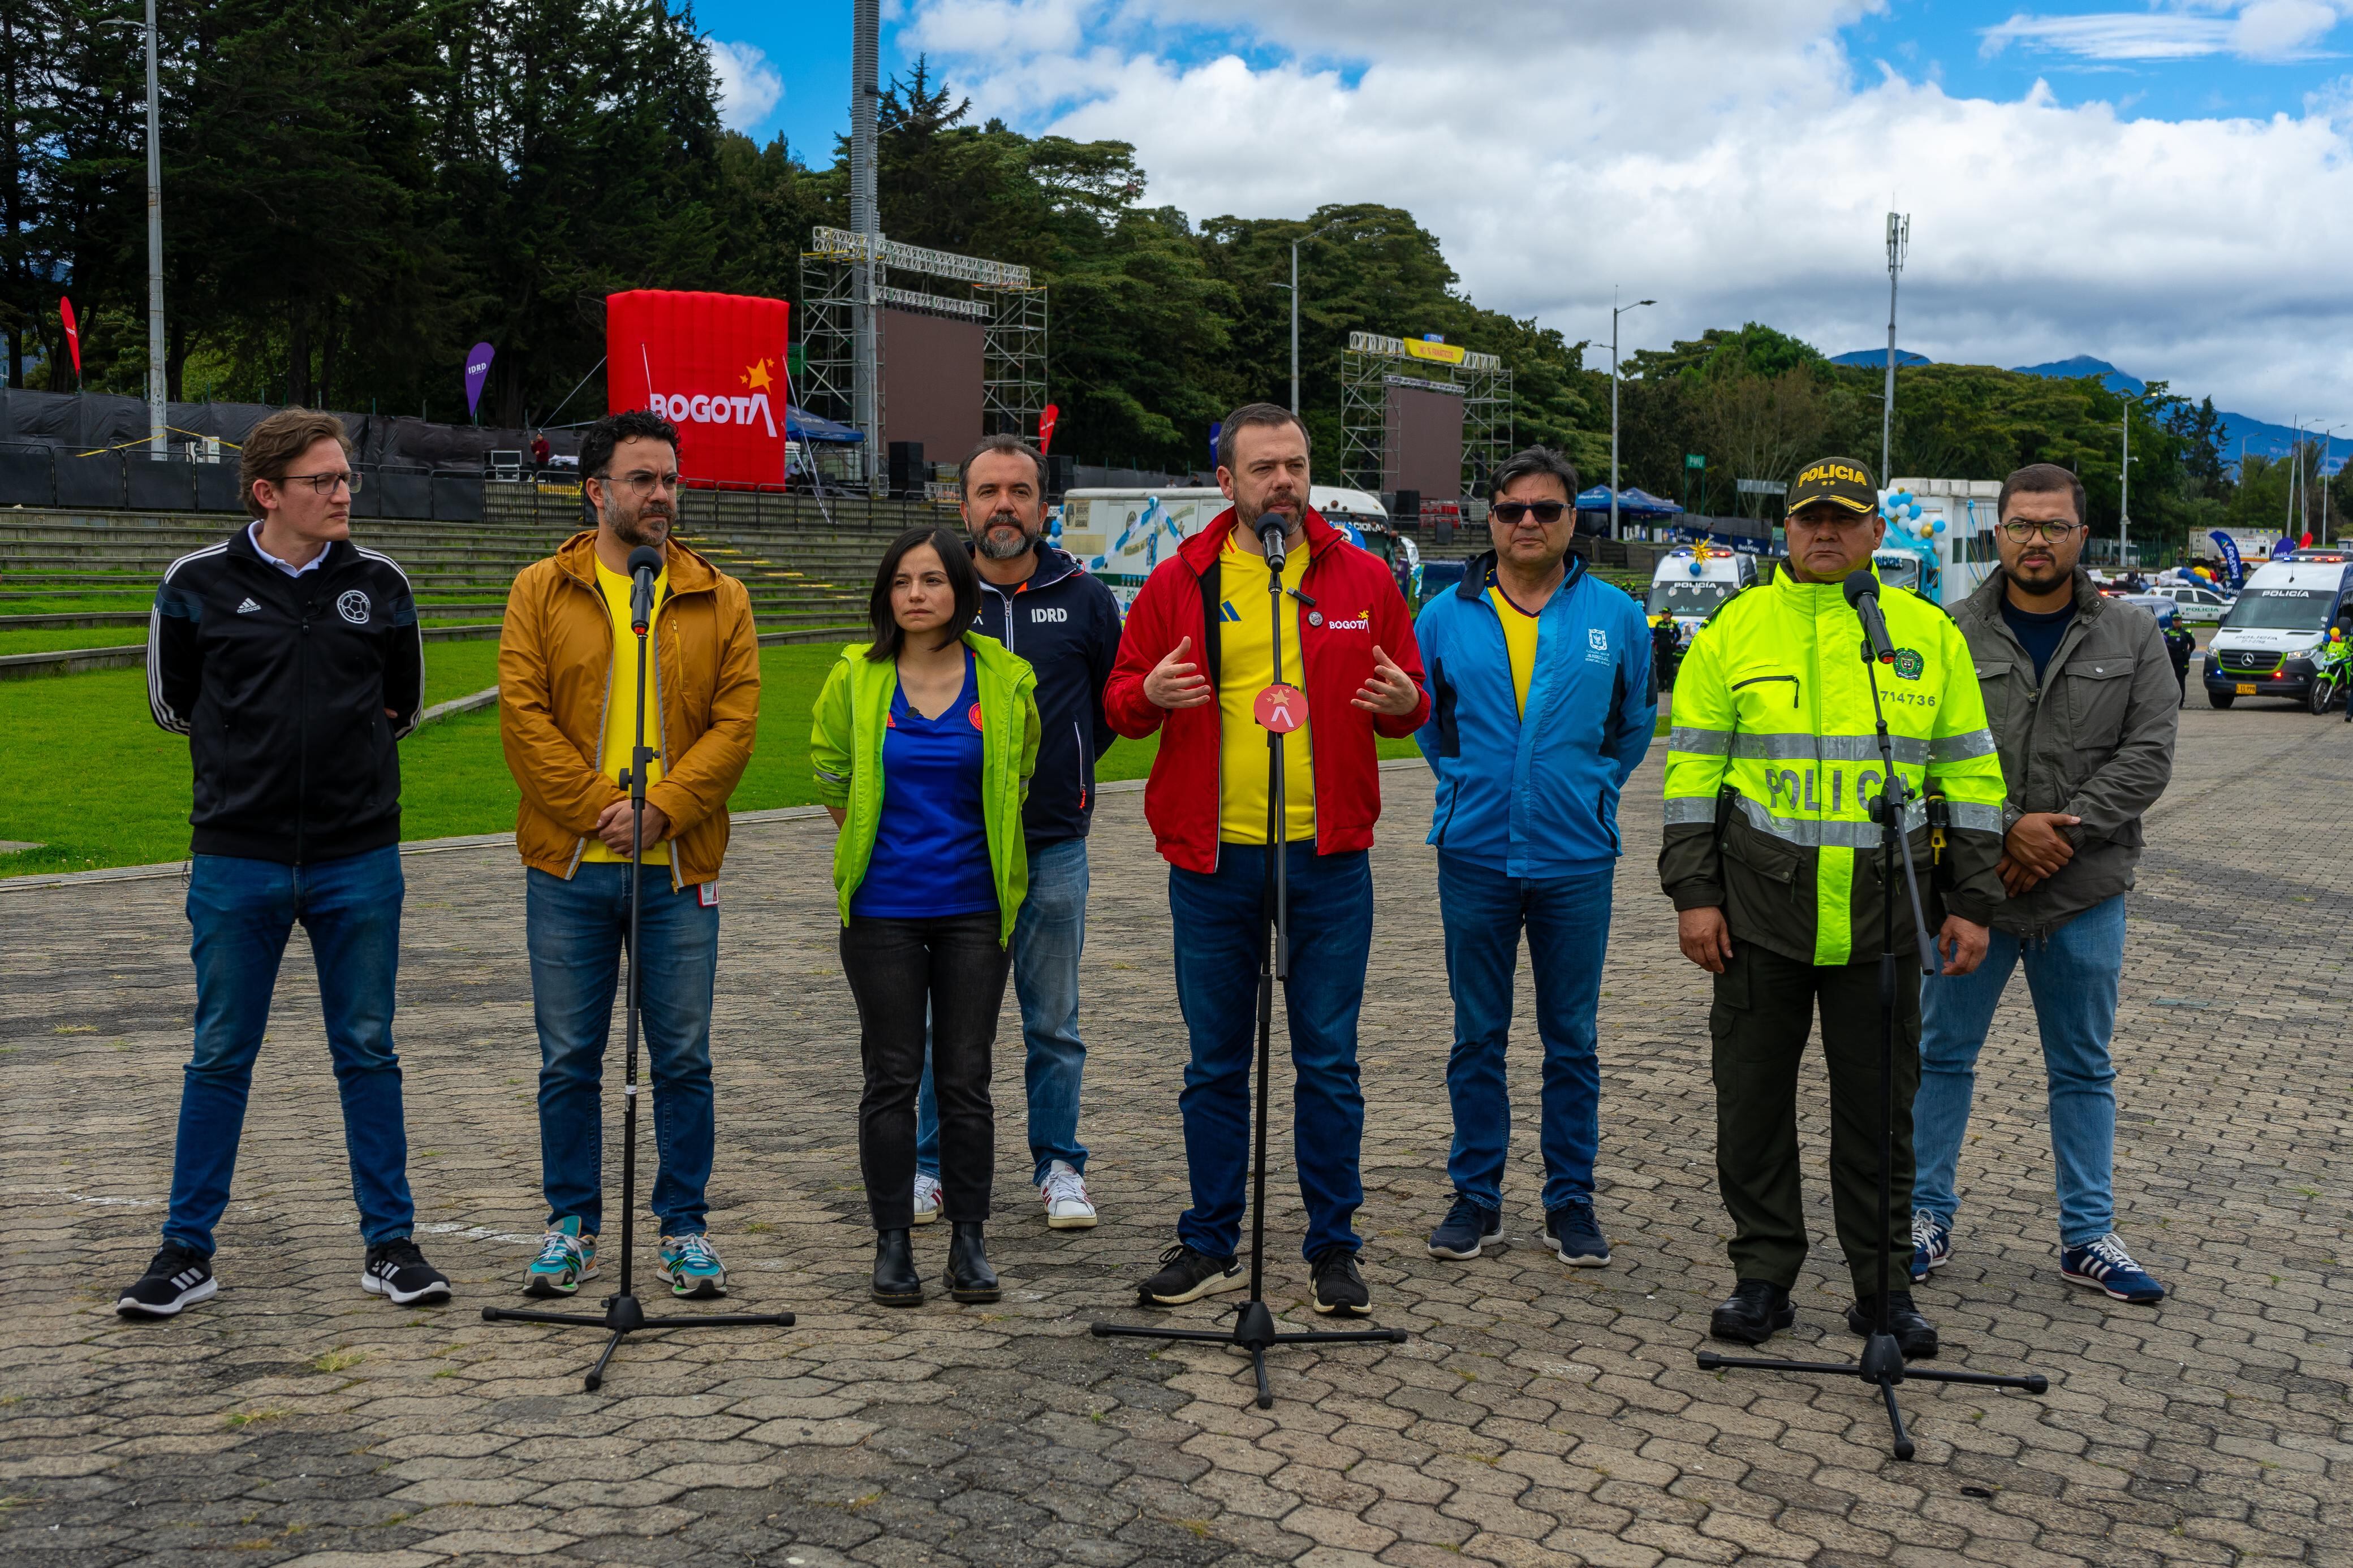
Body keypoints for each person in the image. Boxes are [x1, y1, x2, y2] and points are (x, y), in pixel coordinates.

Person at [1660, 456, 2007, 1359]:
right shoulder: (1733, 631)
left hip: (1886, 918)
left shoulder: (1926, 634)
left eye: (1844, 519)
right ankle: (1763, 1277)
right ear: (1786, 527)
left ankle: (1884, 1291)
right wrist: (1695, 895)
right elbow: (1692, 775)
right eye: (1810, 516)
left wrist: (1971, 900)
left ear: (1875, 532)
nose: (1825, 532)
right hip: (1756, 917)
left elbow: (1969, 777)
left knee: (1879, 1114)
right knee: (1753, 1104)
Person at [120, 408, 449, 1318]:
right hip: (237, 860)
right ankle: (188, 1250)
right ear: (269, 492)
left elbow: (405, 703)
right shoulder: (195, 583)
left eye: (346, 478)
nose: (345, 494)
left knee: (368, 1051)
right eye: (324, 481)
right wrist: (253, 762)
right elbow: (171, 702)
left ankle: (392, 1245)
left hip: (360, 860)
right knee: (221, 1052)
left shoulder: (381, 583)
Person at [1103, 401, 1429, 1317]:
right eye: (1263, 468)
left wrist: (1408, 700)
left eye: (1295, 465)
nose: (1282, 482)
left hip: (1326, 861)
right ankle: (1210, 1238)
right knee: (1215, 1062)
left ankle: (1335, 1246)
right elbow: (1123, 699)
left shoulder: (1363, 577)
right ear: (1227, 482)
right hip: (1213, 864)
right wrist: (1151, 692)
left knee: (1327, 1060)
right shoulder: (1183, 578)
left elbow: (1409, 700)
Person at [498, 407, 760, 1302]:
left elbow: (736, 727)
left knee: (683, 1057)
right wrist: (607, 808)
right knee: (569, 1056)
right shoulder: (539, 587)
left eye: (670, 479)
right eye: (643, 479)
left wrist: (665, 810)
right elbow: (523, 720)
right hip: (570, 868)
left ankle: (684, 1228)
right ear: (596, 489)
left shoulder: (720, 594)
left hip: (678, 869)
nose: (662, 495)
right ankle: (572, 1225)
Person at [1911, 463, 2179, 1304]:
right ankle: (1923, 1216)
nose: (2037, 539)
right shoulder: (1949, 633)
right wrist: (2005, 835)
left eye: (2054, 525)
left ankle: (2088, 1236)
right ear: (1997, 533)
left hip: (2083, 892)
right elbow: (1922, 757)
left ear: (2081, 536)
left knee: (2084, 1067)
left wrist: (2056, 832)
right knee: (1940, 1057)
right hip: (1973, 895)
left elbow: (2150, 754)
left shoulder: (2134, 635)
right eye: (2022, 524)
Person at [1412, 447, 1656, 1269]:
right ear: (1491, 517)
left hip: (1576, 857)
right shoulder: (1446, 614)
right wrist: (1468, 787)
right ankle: (1477, 1196)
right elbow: (1431, 724)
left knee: (1572, 1039)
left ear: (1571, 520)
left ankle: (1570, 1200)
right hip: (1474, 852)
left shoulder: (1616, 616)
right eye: (1512, 508)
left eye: (1545, 510)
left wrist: (1586, 790)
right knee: (1477, 1034)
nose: (1527, 522)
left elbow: (1631, 727)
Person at [812, 527, 1040, 1306]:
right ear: (887, 594)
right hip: (881, 912)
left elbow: (1023, 770)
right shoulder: (855, 675)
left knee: (967, 1077)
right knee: (891, 1075)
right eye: (903, 580)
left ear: (959, 592)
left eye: (933, 580)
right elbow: (830, 765)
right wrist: (871, 841)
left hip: (977, 909)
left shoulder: (1005, 678)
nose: (917, 593)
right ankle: (892, 1242)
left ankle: (970, 1240)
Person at [908, 436, 1123, 1230]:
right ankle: (928, 1166)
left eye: (1020, 491)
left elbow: (1103, 711)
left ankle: (1060, 1164)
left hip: (1052, 843)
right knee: (944, 1021)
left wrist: (1060, 771)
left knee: (1054, 1023)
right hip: (952, 847)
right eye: (989, 491)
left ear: (1044, 506)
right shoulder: (935, 591)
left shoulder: (1087, 596)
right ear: (962, 506)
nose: (1005, 505)